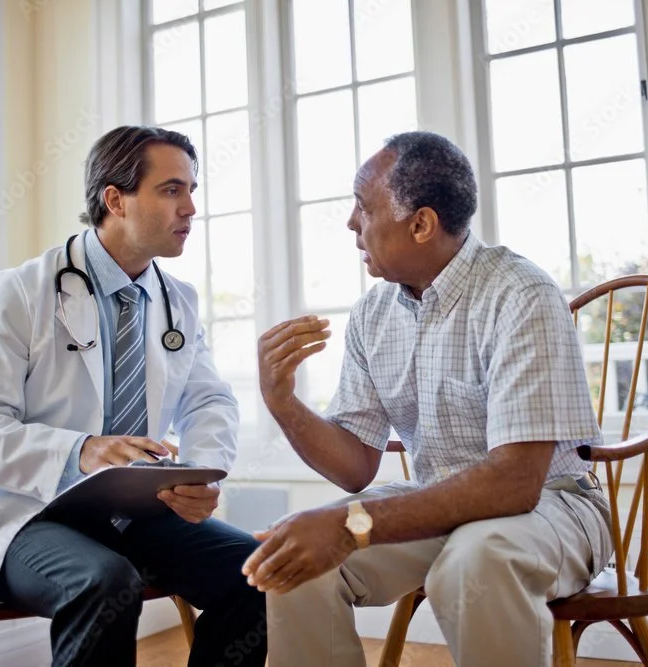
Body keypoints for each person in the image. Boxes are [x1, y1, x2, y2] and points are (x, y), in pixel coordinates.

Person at [244, 131, 612, 667]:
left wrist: (352, 526)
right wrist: (282, 402)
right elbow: (353, 469)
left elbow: (514, 484)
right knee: (295, 558)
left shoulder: (521, 294)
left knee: (474, 562)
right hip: (439, 505)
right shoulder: (373, 315)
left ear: (421, 224)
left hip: (553, 505)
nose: (351, 224)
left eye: (364, 208)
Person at [0, 126, 266, 667]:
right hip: (26, 515)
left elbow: (210, 402)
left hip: (139, 512)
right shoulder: (21, 291)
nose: (191, 208)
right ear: (114, 199)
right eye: (171, 190)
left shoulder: (177, 302)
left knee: (261, 571)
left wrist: (200, 470)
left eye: (192, 190)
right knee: (103, 580)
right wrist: (81, 451)